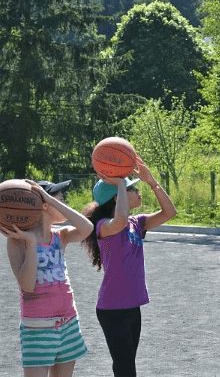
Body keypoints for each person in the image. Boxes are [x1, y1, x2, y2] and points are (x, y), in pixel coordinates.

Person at [81, 155, 176, 377]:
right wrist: (121, 183)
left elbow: (169, 212)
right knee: (125, 368)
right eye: (132, 189)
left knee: (126, 366)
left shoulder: (137, 223)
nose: (137, 191)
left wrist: (153, 182)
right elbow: (120, 220)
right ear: (117, 198)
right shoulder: (103, 226)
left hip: (132, 306)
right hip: (113, 309)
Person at [1, 179, 93, 377]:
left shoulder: (61, 235)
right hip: (37, 328)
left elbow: (87, 228)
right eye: (60, 199)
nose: (64, 203)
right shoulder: (17, 241)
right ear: (43, 205)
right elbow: (27, 286)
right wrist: (31, 244)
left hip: (68, 322)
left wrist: (51, 200)